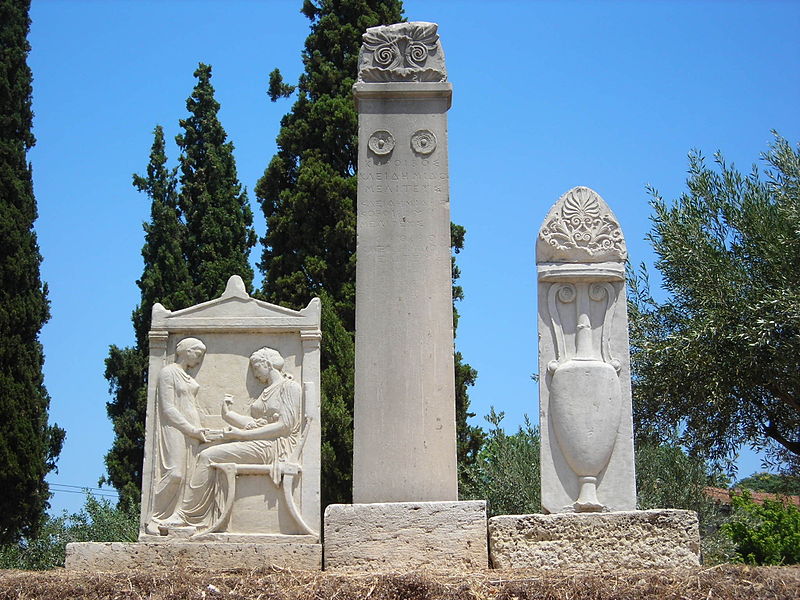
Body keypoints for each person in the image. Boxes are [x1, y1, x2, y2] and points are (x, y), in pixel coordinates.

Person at [168, 346, 302, 532]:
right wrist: (229, 415)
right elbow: (255, 423)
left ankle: (186, 515)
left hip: (275, 447)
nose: (255, 374)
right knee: (208, 451)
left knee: (207, 456)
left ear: (268, 364)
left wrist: (243, 435)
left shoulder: (290, 387)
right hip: (259, 442)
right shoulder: (267, 390)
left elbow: (284, 426)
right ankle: (199, 516)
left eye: (256, 367)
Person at [145, 337, 209, 535]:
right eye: (197, 354)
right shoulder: (168, 372)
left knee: (189, 476)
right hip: (174, 428)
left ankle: (177, 518)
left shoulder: (187, 376)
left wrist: (196, 429)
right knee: (175, 473)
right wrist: (189, 428)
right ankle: (154, 518)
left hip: (193, 431)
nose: (198, 360)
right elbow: (168, 408)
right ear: (185, 350)